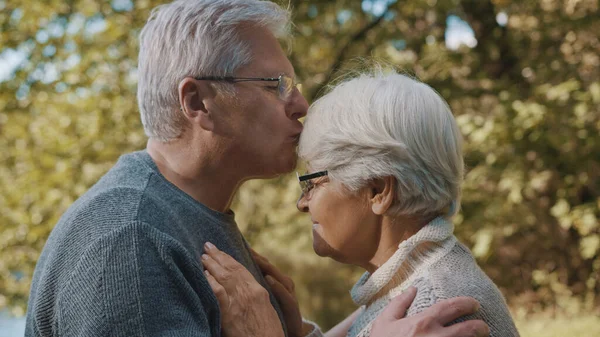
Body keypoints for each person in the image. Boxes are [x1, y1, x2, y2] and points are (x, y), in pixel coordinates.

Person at [24, 0, 489, 336]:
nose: (301, 104)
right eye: (275, 85)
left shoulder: (186, 215)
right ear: (198, 101)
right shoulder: (130, 242)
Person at [201, 71, 517, 337]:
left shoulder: (434, 310)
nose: (302, 203)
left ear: (378, 190)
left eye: (312, 182)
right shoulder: (413, 284)